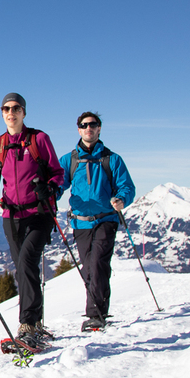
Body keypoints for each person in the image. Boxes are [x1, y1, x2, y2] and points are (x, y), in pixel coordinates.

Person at [0, 93, 63, 342]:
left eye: (16, 108)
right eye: (6, 108)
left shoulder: (39, 139)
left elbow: (58, 173)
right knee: (22, 269)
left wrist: (49, 187)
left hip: (40, 213)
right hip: (12, 215)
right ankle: (36, 321)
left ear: (24, 112)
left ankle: (27, 325)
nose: (11, 112)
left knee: (27, 262)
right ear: (2, 112)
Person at [57, 112, 136, 331]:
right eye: (84, 125)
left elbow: (127, 186)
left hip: (106, 219)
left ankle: (96, 315)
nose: (88, 128)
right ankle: (97, 309)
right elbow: (58, 184)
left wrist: (122, 199)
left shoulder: (112, 159)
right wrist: (49, 195)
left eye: (93, 125)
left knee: (99, 263)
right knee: (89, 268)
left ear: (99, 128)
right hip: (81, 223)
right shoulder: (69, 160)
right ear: (79, 129)